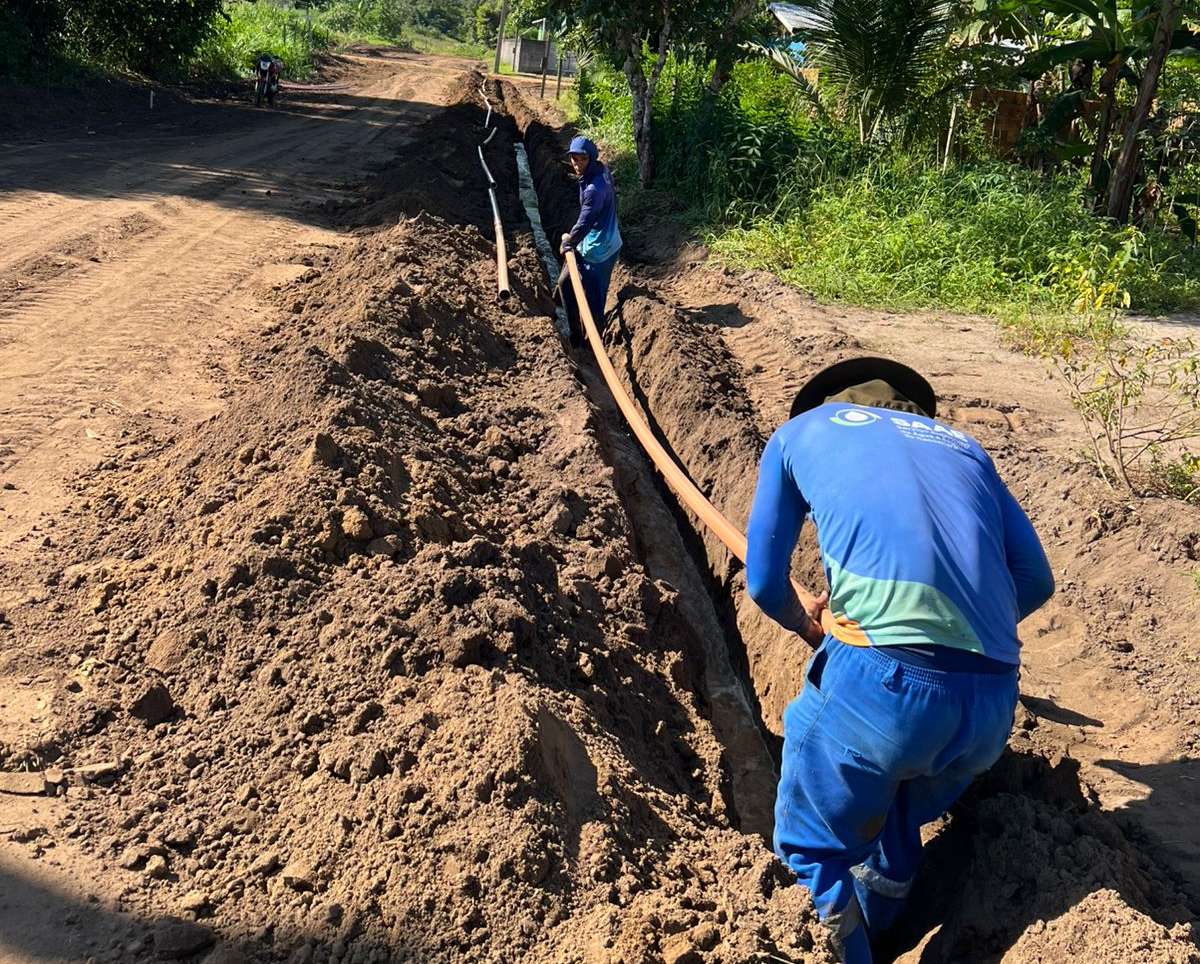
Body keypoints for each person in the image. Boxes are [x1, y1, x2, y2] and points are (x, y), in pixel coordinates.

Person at [744, 357, 1054, 964]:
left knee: (812, 850)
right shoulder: (965, 448)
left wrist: (810, 620)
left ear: (829, 405)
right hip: (991, 703)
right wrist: (958, 633)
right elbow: (1036, 580)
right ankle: (882, 926)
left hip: (879, 692)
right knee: (895, 816)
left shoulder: (798, 434)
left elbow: (761, 584)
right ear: (912, 411)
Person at [559, 136, 622, 345]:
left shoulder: (594, 189)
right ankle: (575, 335)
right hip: (592, 240)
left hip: (601, 249)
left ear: (591, 159)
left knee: (595, 302)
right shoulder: (599, 169)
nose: (576, 164)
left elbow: (585, 221)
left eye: (582, 159)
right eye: (573, 159)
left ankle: (593, 345)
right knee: (564, 282)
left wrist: (568, 242)